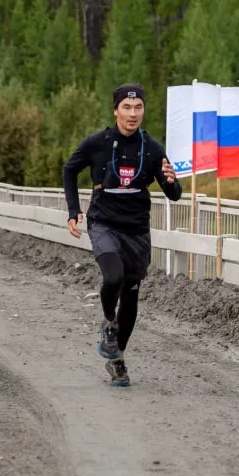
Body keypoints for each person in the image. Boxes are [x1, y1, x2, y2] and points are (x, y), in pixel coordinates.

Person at [63, 84, 182, 386]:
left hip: (137, 228)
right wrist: (73, 210)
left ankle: (117, 360)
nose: (132, 114)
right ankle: (108, 323)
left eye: (138, 108)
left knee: (130, 293)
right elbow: (69, 170)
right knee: (113, 277)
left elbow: (174, 193)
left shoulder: (152, 148)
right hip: (104, 222)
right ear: (116, 110)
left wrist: (171, 181)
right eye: (126, 108)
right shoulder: (97, 143)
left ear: (143, 110)